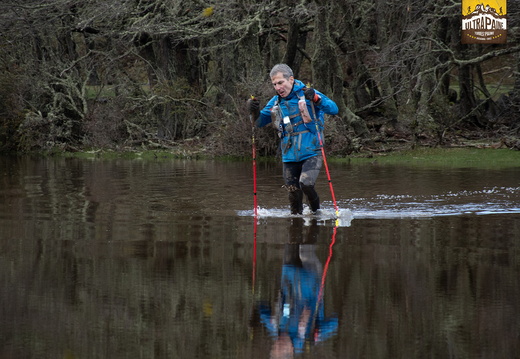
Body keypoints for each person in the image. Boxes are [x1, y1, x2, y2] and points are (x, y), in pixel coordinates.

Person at [247, 64, 339, 215]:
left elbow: (334, 109)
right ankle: (295, 228)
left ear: (291, 79)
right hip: (289, 155)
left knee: (306, 184)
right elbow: (258, 123)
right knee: (293, 193)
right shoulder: (276, 102)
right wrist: (253, 110)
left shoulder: (307, 93)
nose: (278, 87)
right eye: (275, 84)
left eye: (281, 83)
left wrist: (316, 99)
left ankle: (316, 215)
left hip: (312, 151)